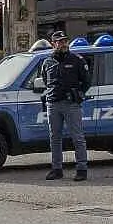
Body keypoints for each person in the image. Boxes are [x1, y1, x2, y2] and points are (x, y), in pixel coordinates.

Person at [41, 31, 92, 182]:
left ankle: (82, 169)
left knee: (78, 137)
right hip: (53, 103)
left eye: (65, 41)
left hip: (71, 104)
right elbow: (46, 81)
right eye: (60, 41)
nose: (63, 44)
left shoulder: (76, 60)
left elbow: (87, 81)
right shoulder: (47, 62)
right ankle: (57, 169)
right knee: (55, 137)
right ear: (53, 44)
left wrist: (79, 94)